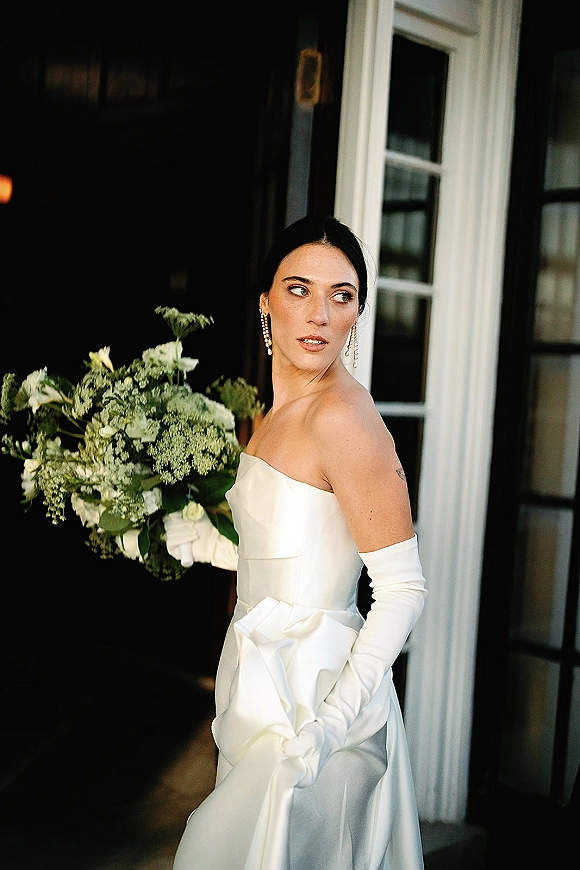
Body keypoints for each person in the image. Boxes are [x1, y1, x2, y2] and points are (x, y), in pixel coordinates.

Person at [163, 214, 428, 870]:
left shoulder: (344, 419)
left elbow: (402, 590)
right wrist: (202, 543)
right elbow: (294, 549)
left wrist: (331, 726)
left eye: (341, 296)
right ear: (266, 302)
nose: (318, 314)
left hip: (315, 699)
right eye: (299, 289)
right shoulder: (271, 412)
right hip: (256, 678)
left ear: (357, 313)